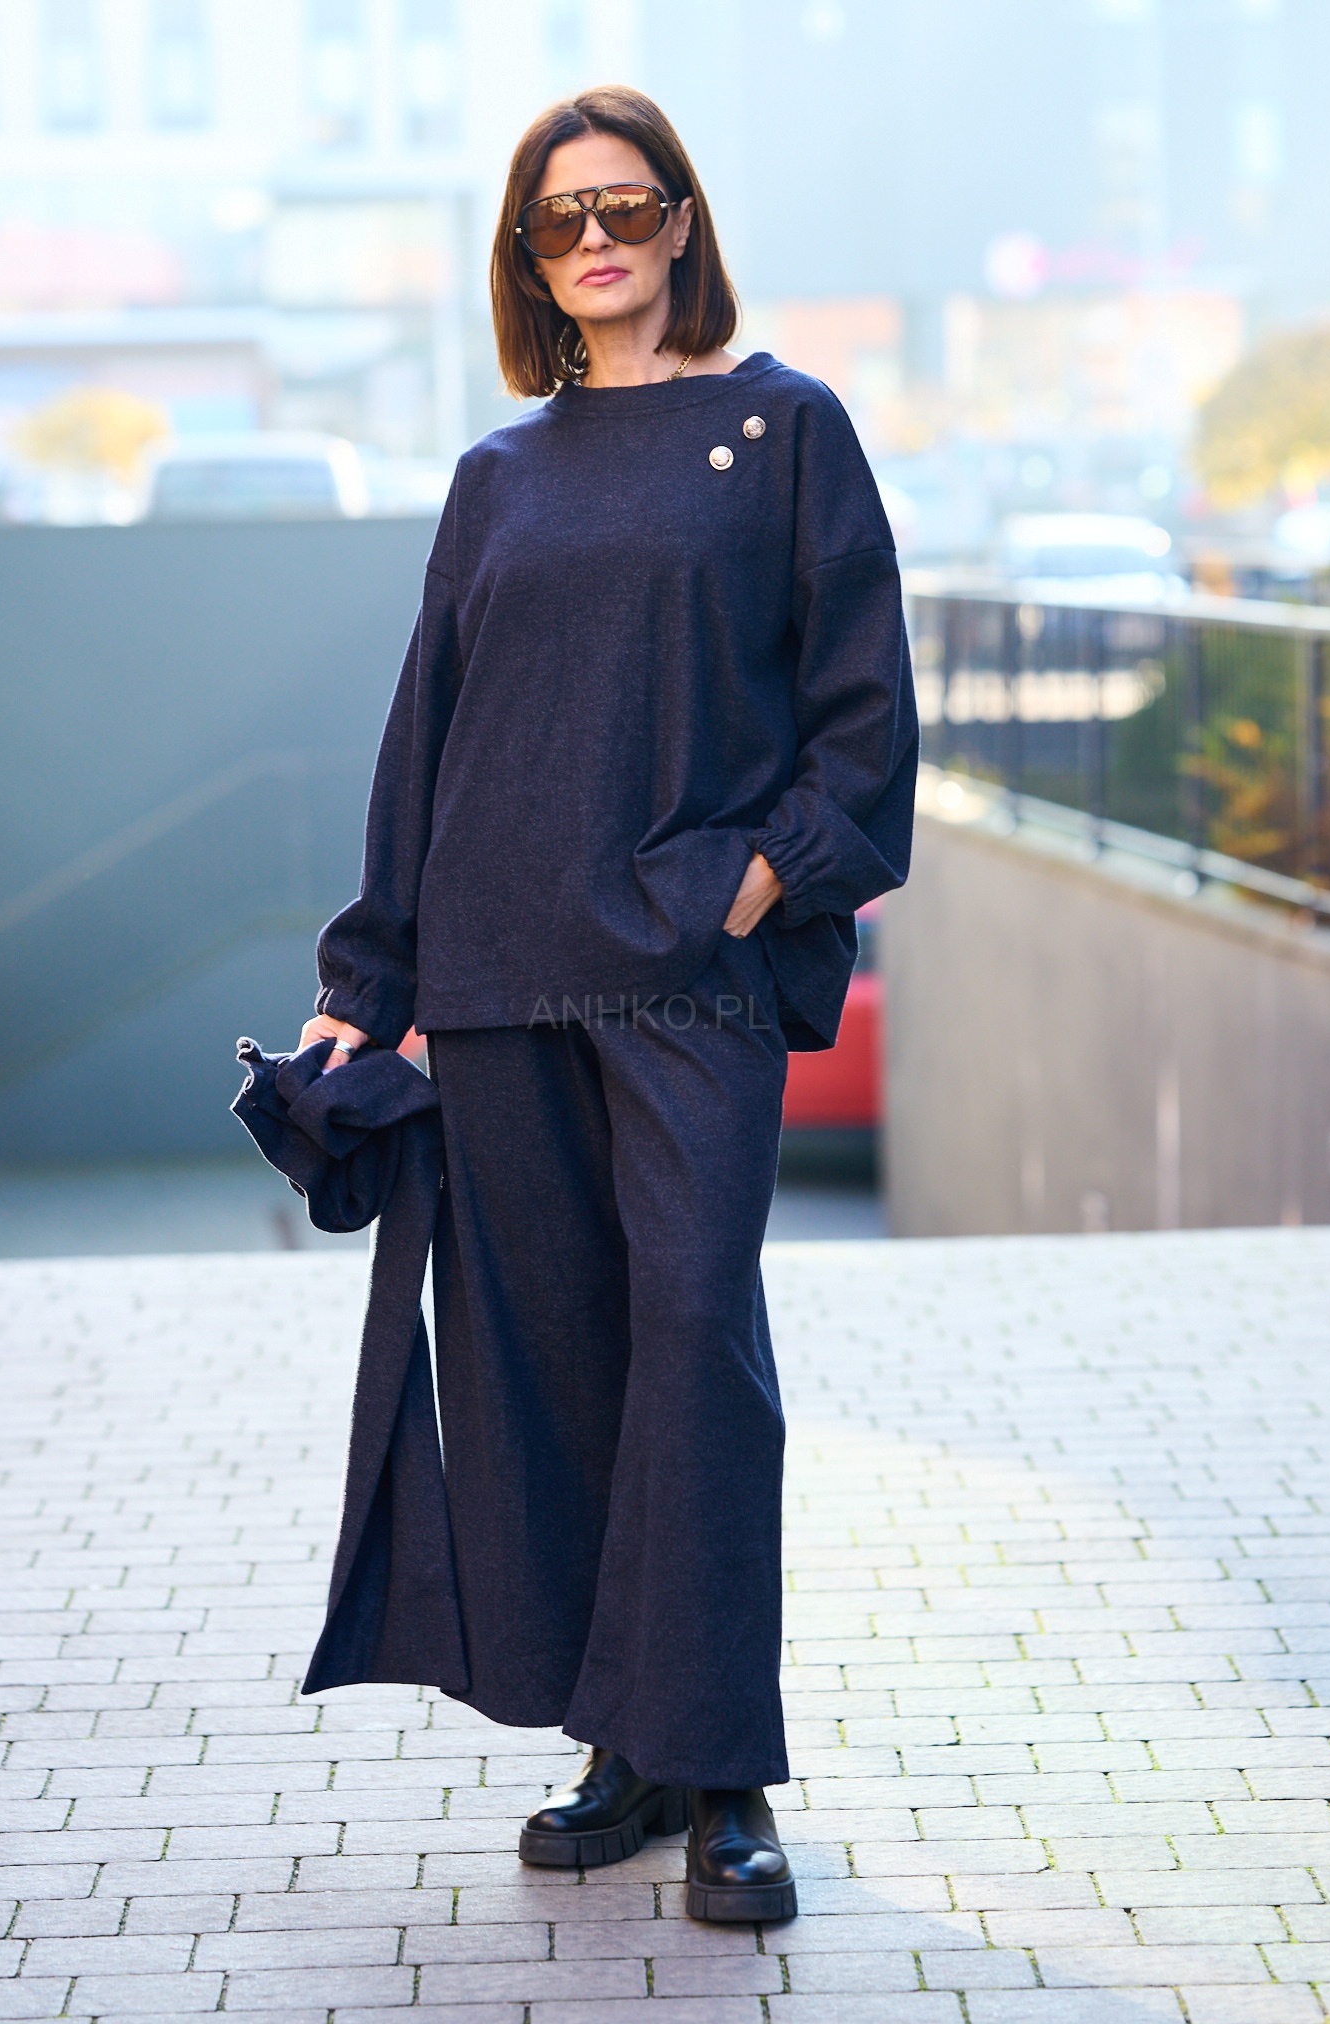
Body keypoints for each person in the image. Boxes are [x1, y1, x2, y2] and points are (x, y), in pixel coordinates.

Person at [297, 84, 917, 1924]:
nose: (594, 239)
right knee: (556, 1360)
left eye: (624, 206)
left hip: (686, 979)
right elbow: (428, 737)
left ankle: (723, 1772)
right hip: (500, 979)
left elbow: (865, 727)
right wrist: (365, 985)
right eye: (558, 217)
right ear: (525, 254)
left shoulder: (785, 431)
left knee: (695, 1338)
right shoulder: (499, 474)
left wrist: (749, 882)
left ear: (680, 221)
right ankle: (627, 1745)